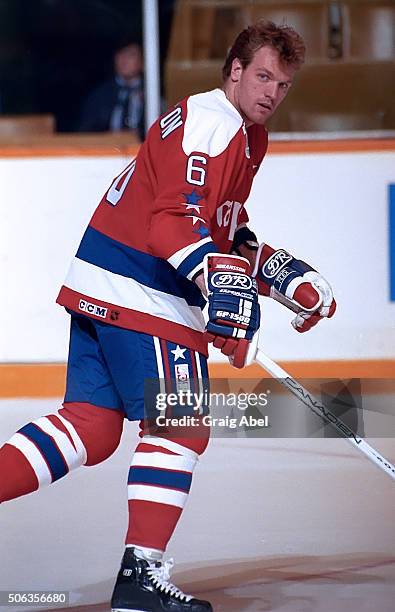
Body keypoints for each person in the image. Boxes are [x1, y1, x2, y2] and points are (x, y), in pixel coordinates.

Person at [0, 21, 336, 612]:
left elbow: (218, 230)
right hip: (143, 294)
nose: (271, 92)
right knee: (179, 426)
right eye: (261, 76)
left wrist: (282, 276)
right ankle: (140, 580)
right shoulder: (214, 121)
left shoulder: (244, 135)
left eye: (282, 84)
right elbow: (172, 223)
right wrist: (225, 296)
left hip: (102, 282)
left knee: (92, 426)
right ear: (234, 70)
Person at [79, 41, 145, 141]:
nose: (124, 59)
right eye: (120, 54)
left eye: (131, 55)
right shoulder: (100, 95)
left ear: (143, 62)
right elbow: (84, 132)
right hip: (107, 151)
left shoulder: (152, 93)